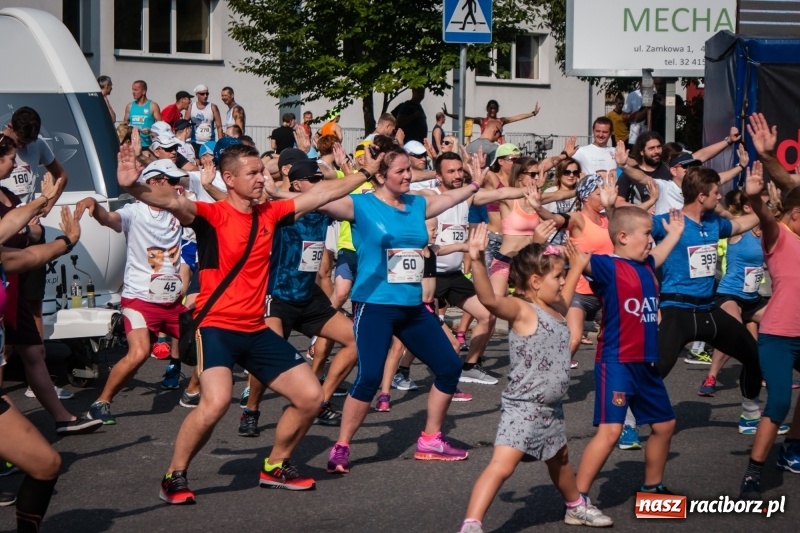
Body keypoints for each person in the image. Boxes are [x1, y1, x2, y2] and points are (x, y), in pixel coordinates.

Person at [116, 140, 372, 502]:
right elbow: (173, 201)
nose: (261, 178)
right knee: (216, 403)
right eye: (252, 173)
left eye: (262, 171)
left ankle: (275, 465)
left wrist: (365, 173)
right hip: (217, 327)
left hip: (255, 328)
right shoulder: (212, 215)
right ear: (229, 178)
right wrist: (132, 187)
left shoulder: (270, 213)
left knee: (310, 397)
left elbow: (320, 195)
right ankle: (174, 475)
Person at [323, 147, 492, 475]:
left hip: (412, 307)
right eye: (400, 171)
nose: (408, 176)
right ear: (381, 174)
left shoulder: (417, 204)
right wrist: (278, 193)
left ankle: (430, 439)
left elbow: (450, 198)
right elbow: (321, 199)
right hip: (374, 305)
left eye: (409, 170)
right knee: (369, 377)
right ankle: (342, 445)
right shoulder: (362, 205)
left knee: (448, 366)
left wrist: (475, 184)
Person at [458, 226, 613, 533]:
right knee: (502, 466)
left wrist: (577, 266)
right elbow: (489, 299)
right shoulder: (522, 310)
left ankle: (575, 506)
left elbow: (566, 295)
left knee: (561, 459)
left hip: (551, 409)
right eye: (557, 276)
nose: (563, 282)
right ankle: (471, 525)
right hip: (524, 408)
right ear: (535, 281)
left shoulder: (556, 308)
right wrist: (476, 260)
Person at [620, 167, 764, 448]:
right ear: (701, 196)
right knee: (657, 368)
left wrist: (759, 201)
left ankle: (750, 414)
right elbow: (629, 230)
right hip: (677, 309)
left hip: (708, 309)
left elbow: (742, 224)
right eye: (715, 193)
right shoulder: (668, 221)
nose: (719, 197)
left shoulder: (714, 223)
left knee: (753, 354)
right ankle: (627, 420)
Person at [574, 200, 686, 503]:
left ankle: (652, 490)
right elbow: (575, 258)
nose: (651, 239)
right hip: (617, 362)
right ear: (623, 237)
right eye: (647, 233)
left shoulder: (646, 265)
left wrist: (675, 234)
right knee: (611, 432)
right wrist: (553, 243)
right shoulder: (607, 266)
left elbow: (660, 254)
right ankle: (577, 500)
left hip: (645, 363)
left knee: (665, 425)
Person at [237, 158, 358, 434]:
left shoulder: (324, 210)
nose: (319, 184)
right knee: (266, 354)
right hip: (277, 295)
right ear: (296, 185)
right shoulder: (281, 209)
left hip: (307, 295)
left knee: (357, 339)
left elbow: (345, 196)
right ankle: (251, 410)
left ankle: (321, 401)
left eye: (320, 179)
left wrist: (340, 171)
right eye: (312, 180)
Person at [79, 159, 188, 425]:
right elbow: (110, 219)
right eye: (173, 181)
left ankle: (195, 391)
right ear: (155, 183)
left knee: (207, 344)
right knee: (139, 353)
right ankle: (101, 402)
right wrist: (95, 208)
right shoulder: (134, 211)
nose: (178, 186)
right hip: (139, 299)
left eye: (178, 181)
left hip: (172, 301)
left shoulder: (180, 209)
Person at [698, 186, 769, 399]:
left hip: (753, 298)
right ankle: (711, 377)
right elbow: (721, 212)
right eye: (761, 204)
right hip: (730, 295)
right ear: (747, 208)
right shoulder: (739, 228)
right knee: (734, 331)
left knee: (784, 325)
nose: (766, 208)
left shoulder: (769, 230)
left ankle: (769, 371)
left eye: (768, 204)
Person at [443, 99, 540, 144]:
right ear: (487, 109)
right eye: (491, 108)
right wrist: (448, 114)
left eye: (494, 108)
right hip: (485, 146)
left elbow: (517, 117)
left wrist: (532, 113)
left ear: (497, 110)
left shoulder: (501, 120)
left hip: (498, 147)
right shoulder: (481, 120)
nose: (492, 110)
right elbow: (464, 118)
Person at [124, 80, 161, 150]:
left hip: (148, 145)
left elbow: (161, 125)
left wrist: (151, 130)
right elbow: (124, 125)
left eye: (136, 90)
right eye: (132, 90)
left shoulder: (153, 106)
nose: (133, 92)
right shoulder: (129, 106)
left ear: (144, 91)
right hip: (133, 144)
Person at [186, 84, 223, 154]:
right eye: (202, 94)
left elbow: (219, 127)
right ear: (197, 95)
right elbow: (185, 124)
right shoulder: (191, 107)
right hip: (195, 142)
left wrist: (220, 144)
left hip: (210, 142)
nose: (205, 96)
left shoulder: (213, 107)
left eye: (207, 94)